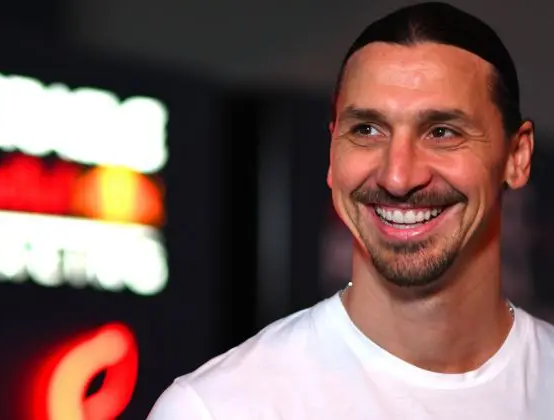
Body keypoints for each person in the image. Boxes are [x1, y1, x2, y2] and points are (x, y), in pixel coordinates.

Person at [147, 2, 554, 419]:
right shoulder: (219, 407)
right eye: (367, 130)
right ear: (331, 151)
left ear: (517, 157)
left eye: (442, 132)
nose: (398, 177)